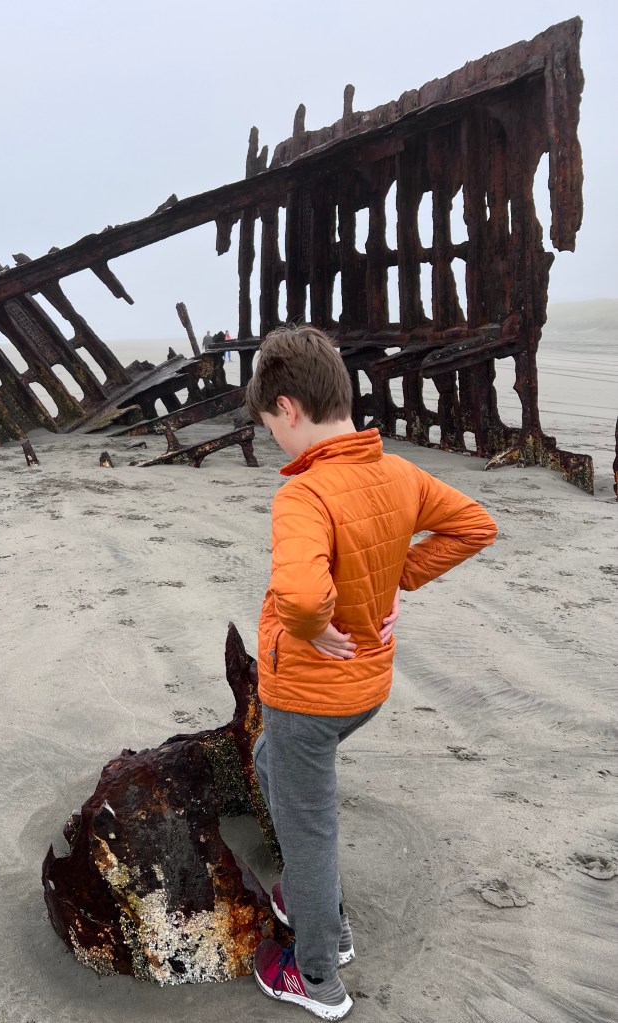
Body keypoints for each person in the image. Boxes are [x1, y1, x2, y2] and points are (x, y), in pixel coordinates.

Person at [245, 325, 496, 1019]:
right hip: (365, 688)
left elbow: (298, 594)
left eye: (270, 427)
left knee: (308, 830)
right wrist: (394, 581)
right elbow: (474, 524)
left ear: (288, 408)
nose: (275, 440)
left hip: (308, 693)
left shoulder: (304, 495)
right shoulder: (399, 473)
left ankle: (318, 971)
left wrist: (312, 621)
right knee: (270, 760)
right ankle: (314, 903)